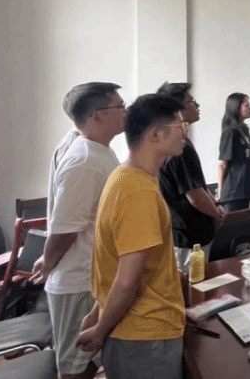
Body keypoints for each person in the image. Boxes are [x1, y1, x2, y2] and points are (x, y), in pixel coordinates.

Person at [76, 94, 188, 379]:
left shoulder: (123, 176)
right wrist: (100, 331)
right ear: (155, 135)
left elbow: (111, 260)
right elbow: (127, 280)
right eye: (179, 126)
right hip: (145, 336)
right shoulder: (138, 192)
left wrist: (98, 313)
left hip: (133, 331)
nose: (185, 133)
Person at [32, 82, 124, 379]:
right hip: (78, 279)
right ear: (97, 116)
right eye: (120, 107)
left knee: (90, 357)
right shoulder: (84, 161)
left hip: (91, 275)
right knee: (74, 367)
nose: (125, 112)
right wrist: (48, 262)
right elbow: (65, 228)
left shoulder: (96, 149)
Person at [156, 82, 225, 271]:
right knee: (192, 282)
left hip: (192, 232)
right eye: (192, 102)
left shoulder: (180, 140)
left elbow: (197, 184)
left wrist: (216, 204)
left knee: (199, 280)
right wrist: (217, 214)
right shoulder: (178, 146)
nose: (197, 105)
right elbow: (194, 195)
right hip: (188, 237)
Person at [217, 92, 250, 212]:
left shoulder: (244, 129)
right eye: (246, 105)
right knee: (234, 222)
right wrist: (220, 191)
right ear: (236, 108)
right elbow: (222, 164)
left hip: (245, 188)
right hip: (234, 192)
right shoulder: (230, 132)